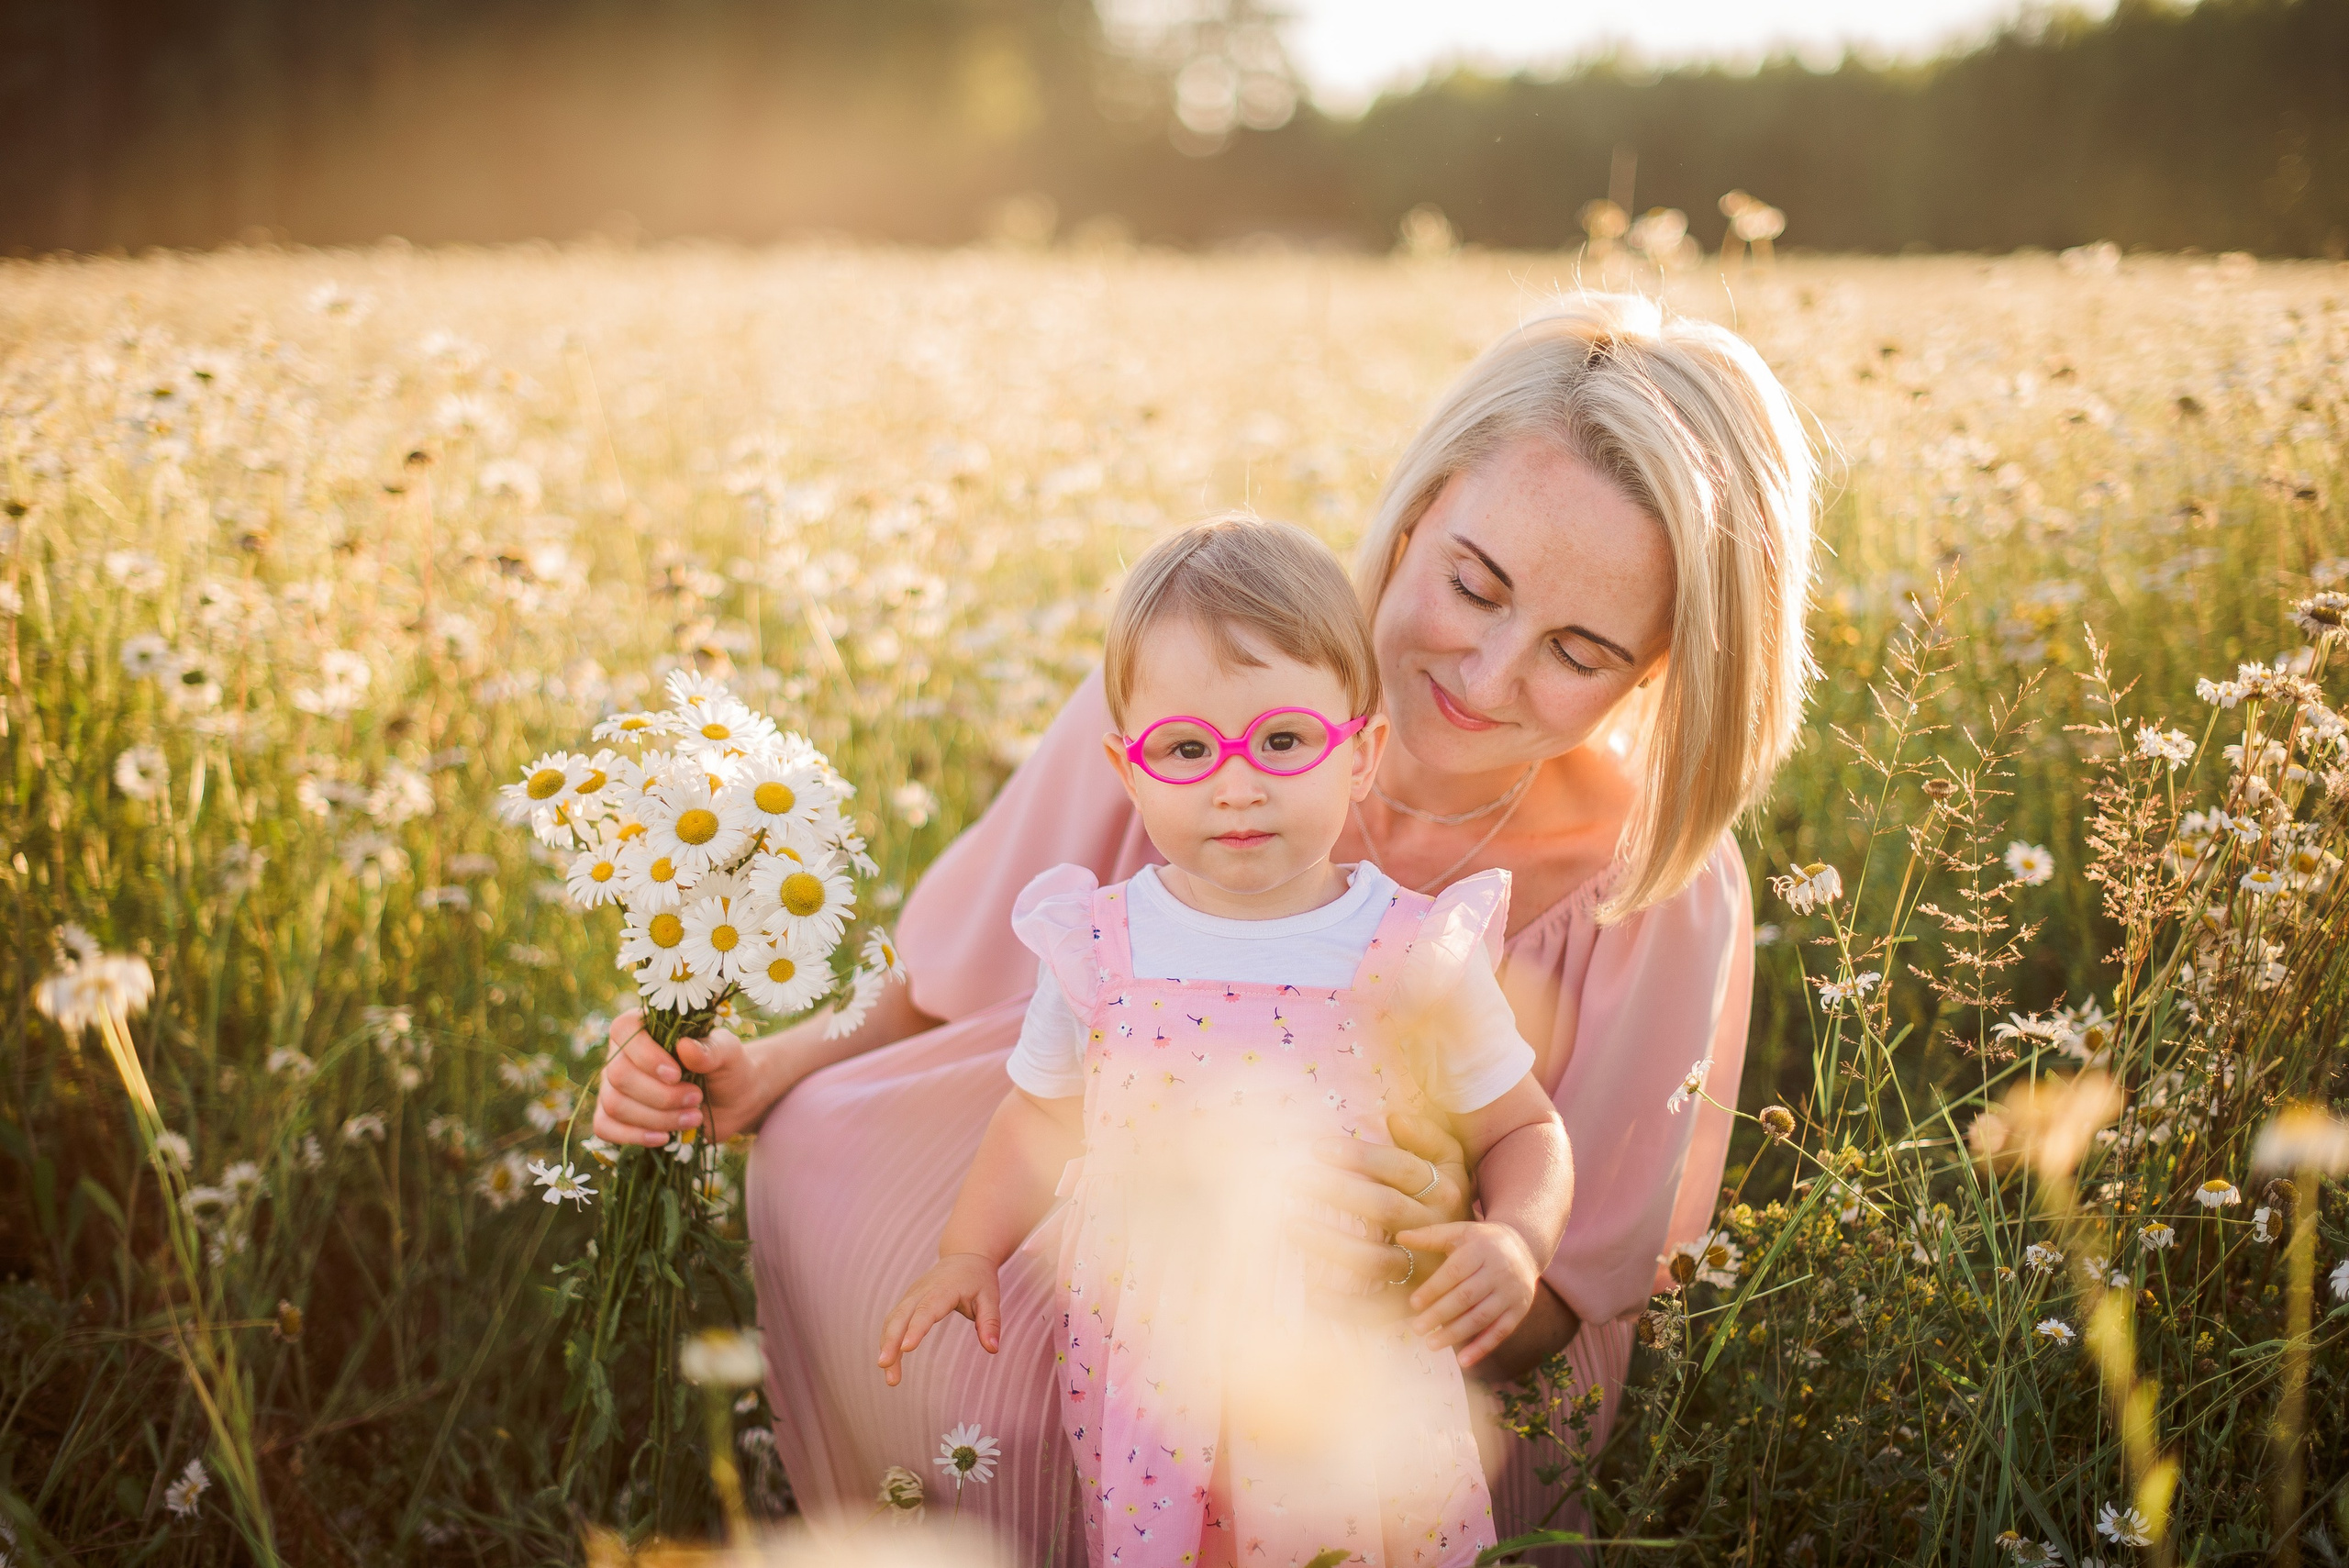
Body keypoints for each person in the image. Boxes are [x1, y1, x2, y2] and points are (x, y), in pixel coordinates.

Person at [595, 293, 1818, 1558]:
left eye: (1578, 650)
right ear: (1416, 512)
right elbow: (954, 977)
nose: (1489, 673)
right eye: (1474, 583)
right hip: (1124, 1241)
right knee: (829, 1152)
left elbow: (1576, 1290)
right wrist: (769, 1068)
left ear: (1656, 670)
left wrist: (1447, 1247)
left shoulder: (1652, 883)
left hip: (1414, 1381)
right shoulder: (1203, 687)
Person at [875, 518, 1572, 1566]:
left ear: (1361, 750)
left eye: (1282, 740)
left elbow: (1522, 1122)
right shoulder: (1102, 945)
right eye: (1187, 749)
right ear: (1128, 767)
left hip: (1343, 1347)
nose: (1235, 784)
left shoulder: (1410, 949)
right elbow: (1042, 1115)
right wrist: (966, 1250)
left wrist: (1514, 1237)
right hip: (1155, 1356)